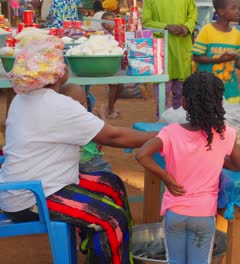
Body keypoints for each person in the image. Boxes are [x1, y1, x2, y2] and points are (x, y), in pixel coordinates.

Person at [0, 38, 158, 264]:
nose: (65, 66)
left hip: (30, 185)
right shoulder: (58, 105)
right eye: (62, 61)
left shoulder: (22, 99)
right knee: (112, 220)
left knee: (111, 184)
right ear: (57, 73)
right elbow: (114, 136)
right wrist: (161, 137)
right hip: (32, 197)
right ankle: (105, 252)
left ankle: (96, 246)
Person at [135, 72, 240, 263]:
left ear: (184, 103)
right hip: (203, 215)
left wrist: (166, 177)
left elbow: (141, 154)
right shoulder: (224, 134)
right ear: (219, 103)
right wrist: (218, 157)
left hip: (175, 213)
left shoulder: (170, 132)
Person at [143, 0, 197, 118]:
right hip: (161, 50)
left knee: (182, 93)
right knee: (162, 92)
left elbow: (192, 16)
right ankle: (162, 125)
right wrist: (166, 27)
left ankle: (180, 124)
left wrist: (187, 27)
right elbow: (146, 23)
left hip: (182, 49)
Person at [192, 0, 240, 103]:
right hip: (208, 88)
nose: (238, 11)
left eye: (238, 8)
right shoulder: (207, 30)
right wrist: (219, 60)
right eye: (233, 8)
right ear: (221, 11)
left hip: (230, 89)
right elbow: (196, 57)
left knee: (229, 117)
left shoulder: (236, 34)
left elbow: (239, 62)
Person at [59, 83, 113, 174]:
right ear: (84, 105)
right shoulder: (85, 120)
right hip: (89, 163)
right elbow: (104, 135)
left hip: (67, 163)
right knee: (106, 173)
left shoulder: (59, 120)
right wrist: (102, 115)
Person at [101, 11, 125, 118]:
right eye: (108, 22)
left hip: (117, 63)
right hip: (107, 63)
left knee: (120, 86)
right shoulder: (102, 35)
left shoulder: (117, 33)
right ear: (103, 24)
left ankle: (111, 106)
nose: (111, 24)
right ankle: (110, 109)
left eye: (112, 21)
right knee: (114, 86)